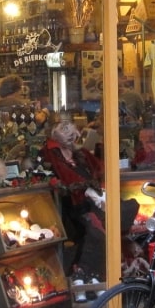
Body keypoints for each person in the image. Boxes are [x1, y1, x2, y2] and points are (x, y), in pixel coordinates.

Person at [39, 117, 105, 278]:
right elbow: (63, 180)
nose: (72, 136)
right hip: (71, 205)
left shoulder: (80, 153)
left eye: (72, 132)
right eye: (66, 132)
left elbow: (99, 168)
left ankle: (90, 272)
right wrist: (84, 187)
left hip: (91, 201)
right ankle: (81, 272)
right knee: (93, 232)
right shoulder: (50, 154)